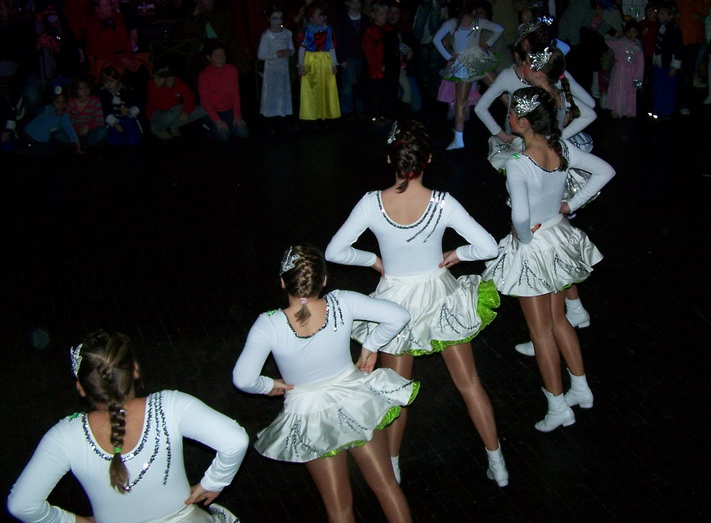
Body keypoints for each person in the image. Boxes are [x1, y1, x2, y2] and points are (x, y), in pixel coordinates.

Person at [325, 121, 506, 486]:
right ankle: (498, 463)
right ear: (428, 160)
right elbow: (489, 248)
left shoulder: (371, 203)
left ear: (390, 158)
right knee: (470, 384)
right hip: (442, 297)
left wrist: (373, 261)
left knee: (396, 392)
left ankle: (392, 467)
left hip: (395, 304)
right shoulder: (443, 202)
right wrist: (459, 252)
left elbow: (334, 251)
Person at [233, 244, 415, 522]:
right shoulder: (342, 301)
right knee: (386, 486)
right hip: (356, 401)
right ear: (325, 281)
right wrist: (371, 345)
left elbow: (243, 379)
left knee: (338, 507)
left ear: (283, 282)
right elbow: (399, 315)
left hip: (308, 416)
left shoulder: (268, 324)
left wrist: (269, 386)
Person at [8, 330, 248, 523]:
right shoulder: (170, 405)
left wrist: (72, 521)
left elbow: (21, 505)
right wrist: (213, 482)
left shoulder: (65, 436)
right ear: (134, 369)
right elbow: (235, 440)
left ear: (81, 388)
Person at [483, 87, 615, 432]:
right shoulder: (562, 147)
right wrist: (570, 205)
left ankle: (557, 405)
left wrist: (522, 238)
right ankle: (582, 389)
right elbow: (605, 172)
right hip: (560, 235)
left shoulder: (518, 164)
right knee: (559, 321)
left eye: (511, 114)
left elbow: (522, 217)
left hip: (535, 247)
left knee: (540, 332)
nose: (507, 118)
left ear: (524, 122)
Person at [432, 0, 504, 150]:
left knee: (461, 101)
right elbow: (499, 28)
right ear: (473, 11)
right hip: (474, 59)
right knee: (499, 88)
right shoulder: (473, 22)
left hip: (467, 61)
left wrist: (448, 56)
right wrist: (487, 43)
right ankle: (512, 119)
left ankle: (459, 139)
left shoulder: (454, 23)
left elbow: (436, 39)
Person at [297, 1, 340, 121]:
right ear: (311, 18)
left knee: (326, 87)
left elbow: (331, 47)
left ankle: (326, 113)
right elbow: (302, 48)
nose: (322, 18)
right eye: (319, 15)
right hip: (312, 60)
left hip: (325, 61)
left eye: (323, 15)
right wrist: (301, 65)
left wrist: (333, 63)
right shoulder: (307, 31)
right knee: (311, 87)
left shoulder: (328, 30)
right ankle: (311, 114)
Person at [198, 41, 247, 141]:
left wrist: (237, 116)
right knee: (224, 136)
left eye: (223, 55)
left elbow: (235, 94)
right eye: (217, 56)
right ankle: (209, 125)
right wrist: (217, 120)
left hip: (229, 110)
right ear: (209, 57)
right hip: (213, 111)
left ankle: (226, 126)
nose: (221, 59)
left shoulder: (231, 70)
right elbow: (205, 101)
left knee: (243, 133)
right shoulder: (204, 75)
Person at [146, 65, 206, 139]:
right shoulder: (151, 85)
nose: (155, 80)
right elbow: (162, 105)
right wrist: (168, 89)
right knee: (170, 116)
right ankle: (158, 128)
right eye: (154, 77)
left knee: (203, 110)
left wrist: (186, 111)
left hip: (175, 110)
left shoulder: (176, 81)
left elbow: (189, 96)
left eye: (159, 78)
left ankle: (173, 124)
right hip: (157, 113)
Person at [258, 4, 295, 122]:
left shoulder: (287, 33)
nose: (278, 21)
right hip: (272, 70)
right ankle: (270, 118)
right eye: (275, 18)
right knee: (271, 94)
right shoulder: (267, 36)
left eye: (280, 18)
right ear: (269, 19)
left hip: (283, 70)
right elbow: (261, 55)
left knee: (283, 91)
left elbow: (292, 49)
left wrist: (289, 52)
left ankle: (283, 115)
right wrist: (275, 55)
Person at [22, 86, 83, 156]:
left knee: (52, 151)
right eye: (57, 102)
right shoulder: (47, 109)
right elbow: (49, 120)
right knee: (31, 148)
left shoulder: (64, 117)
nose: (61, 104)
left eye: (63, 102)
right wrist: (56, 114)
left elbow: (70, 130)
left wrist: (78, 147)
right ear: (53, 102)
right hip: (29, 135)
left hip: (41, 141)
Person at [604, 21, 645, 119]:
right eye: (629, 32)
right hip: (619, 71)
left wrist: (638, 79)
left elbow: (641, 64)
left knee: (630, 90)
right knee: (618, 89)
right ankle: (616, 109)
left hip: (631, 72)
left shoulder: (638, 46)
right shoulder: (620, 43)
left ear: (638, 33)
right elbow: (607, 40)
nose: (631, 34)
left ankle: (628, 110)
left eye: (634, 32)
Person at [97, 67, 142, 146]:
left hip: (128, 119)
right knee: (115, 142)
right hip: (113, 122)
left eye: (111, 81)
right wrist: (114, 123)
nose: (108, 85)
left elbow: (138, 103)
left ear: (118, 79)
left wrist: (130, 111)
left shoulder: (128, 90)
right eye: (105, 82)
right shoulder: (103, 93)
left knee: (133, 140)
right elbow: (104, 109)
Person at [66, 77, 108, 147]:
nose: (85, 91)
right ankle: (79, 142)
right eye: (81, 88)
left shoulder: (95, 101)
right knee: (59, 134)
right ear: (76, 90)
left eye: (87, 88)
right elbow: (66, 120)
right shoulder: (71, 102)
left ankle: (82, 144)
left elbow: (100, 122)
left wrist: (88, 127)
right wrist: (77, 128)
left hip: (90, 130)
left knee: (103, 131)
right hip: (74, 129)